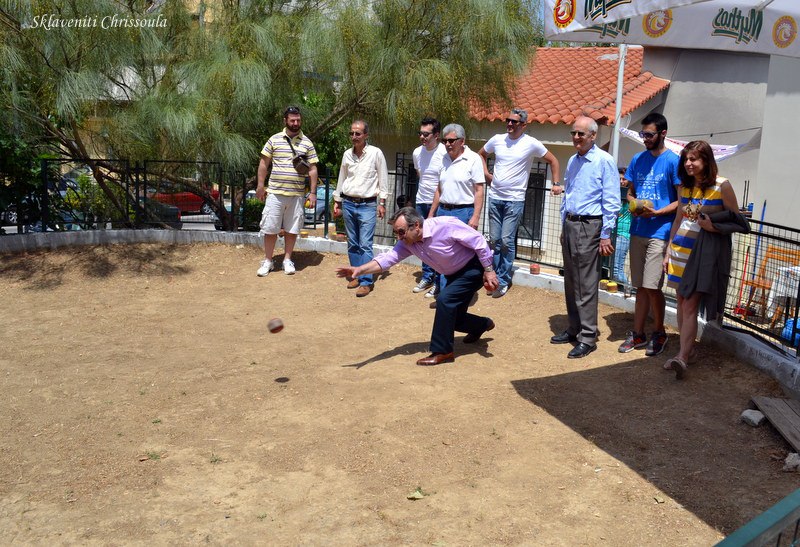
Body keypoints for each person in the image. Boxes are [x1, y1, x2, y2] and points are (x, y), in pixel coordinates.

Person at [335, 207, 499, 365]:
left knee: (444, 300)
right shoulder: (408, 242)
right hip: (453, 274)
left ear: (417, 226)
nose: (399, 237)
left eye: (401, 232)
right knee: (452, 318)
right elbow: (388, 259)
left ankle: (443, 351)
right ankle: (482, 325)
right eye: (396, 233)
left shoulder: (445, 225)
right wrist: (359, 269)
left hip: (473, 267)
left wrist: (489, 270)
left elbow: (478, 241)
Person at [663, 141, 748, 379]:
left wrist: (713, 227)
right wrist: (669, 249)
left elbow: (737, 221)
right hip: (681, 251)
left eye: (694, 159)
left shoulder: (722, 186)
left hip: (704, 255)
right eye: (686, 159)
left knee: (689, 304)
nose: (689, 164)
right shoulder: (684, 188)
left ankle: (681, 357)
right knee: (681, 301)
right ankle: (686, 351)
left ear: (706, 161)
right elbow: (679, 221)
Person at [550, 116, 620, 358]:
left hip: (590, 226)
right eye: (573, 133)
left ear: (593, 136)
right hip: (571, 224)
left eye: (581, 134)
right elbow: (569, 193)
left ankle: (588, 337)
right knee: (571, 280)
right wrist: (563, 225)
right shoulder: (572, 160)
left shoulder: (604, 161)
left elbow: (611, 201)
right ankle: (574, 328)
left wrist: (605, 235)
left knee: (586, 283)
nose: (576, 138)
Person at [479, 108, 561, 298]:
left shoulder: (531, 143)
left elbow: (553, 160)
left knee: (507, 241)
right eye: (507, 120)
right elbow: (481, 154)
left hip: (515, 200)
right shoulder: (497, 139)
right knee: (494, 241)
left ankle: (503, 280)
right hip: (495, 197)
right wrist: (486, 175)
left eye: (513, 122)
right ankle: (493, 278)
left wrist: (556, 183)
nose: (509, 124)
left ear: (523, 125)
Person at [617, 113, 680, 356]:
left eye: (649, 135)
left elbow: (680, 201)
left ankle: (659, 332)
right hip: (638, 229)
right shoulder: (637, 159)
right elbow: (630, 192)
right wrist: (634, 204)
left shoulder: (673, 161)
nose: (645, 139)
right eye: (643, 134)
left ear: (663, 133)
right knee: (639, 286)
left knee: (652, 286)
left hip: (660, 231)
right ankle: (638, 333)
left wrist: (658, 212)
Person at [255, 105, 319, 277]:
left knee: (292, 229)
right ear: (285, 120)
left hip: (297, 194)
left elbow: (312, 169)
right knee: (270, 228)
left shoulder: (307, 143)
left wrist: (312, 193)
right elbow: (264, 164)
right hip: (275, 192)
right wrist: (260, 186)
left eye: (298, 120)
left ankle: (287, 260)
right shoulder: (274, 140)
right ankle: (268, 261)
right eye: (292, 120)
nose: (296, 123)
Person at [429, 123, 485, 303]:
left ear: (462, 141)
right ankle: (444, 294)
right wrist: (431, 214)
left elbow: (479, 190)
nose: (448, 144)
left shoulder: (473, 159)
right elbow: (439, 189)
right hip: (443, 211)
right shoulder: (442, 159)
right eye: (445, 140)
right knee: (442, 253)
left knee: (460, 257)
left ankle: (455, 296)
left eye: (451, 140)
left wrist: (475, 216)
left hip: (463, 212)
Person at [333, 120, 389, 297]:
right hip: (348, 203)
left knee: (365, 244)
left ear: (366, 135)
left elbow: (383, 178)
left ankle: (366, 281)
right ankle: (355, 274)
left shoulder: (376, 154)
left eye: (358, 133)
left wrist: (382, 203)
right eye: (352, 133)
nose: (354, 137)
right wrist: (337, 200)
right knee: (353, 243)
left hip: (367, 204)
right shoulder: (347, 155)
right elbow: (342, 178)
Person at [411, 117, 446, 298]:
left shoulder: (444, 153)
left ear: (436, 135)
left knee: (437, 243)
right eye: (420, 133)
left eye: (426, 134)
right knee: (421, 241)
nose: (422, 137)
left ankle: (439, 282)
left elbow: (441, 184)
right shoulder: (417, 153)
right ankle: (427, 276)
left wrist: (433, 210)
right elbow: (421, 175)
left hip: (438, 204)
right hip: (421, 201)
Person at [613, 166, 632, 290]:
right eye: (619, 179)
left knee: (616, 270)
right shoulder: (615, 192)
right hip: (612, 233)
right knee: (610, 267)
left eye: (624, 179)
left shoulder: (630, 195)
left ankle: (629, 288)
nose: (621, 182)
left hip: (623, 234)